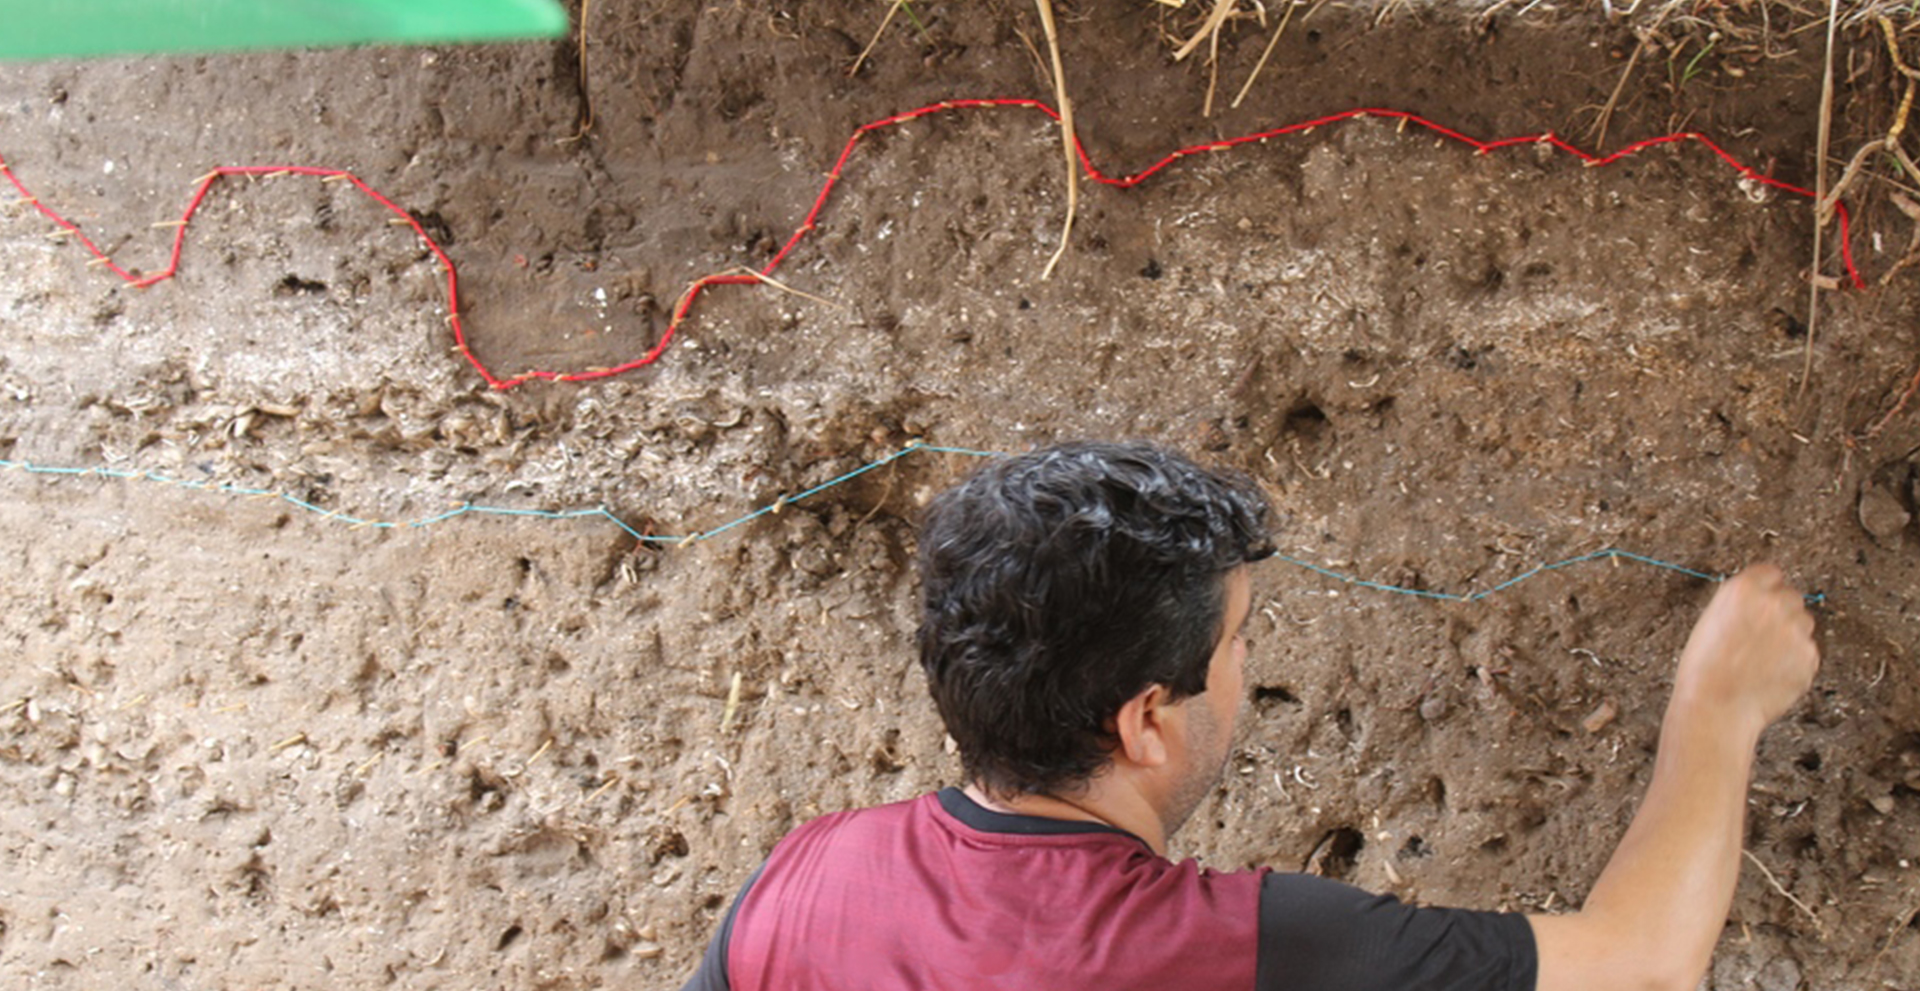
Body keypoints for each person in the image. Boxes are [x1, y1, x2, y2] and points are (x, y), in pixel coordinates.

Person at [681, 441, 1819, 991]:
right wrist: (1719, 707)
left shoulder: (804, 880)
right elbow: (1642, 964)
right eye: (1233, 647)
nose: (1243, 674)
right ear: (1145, 724)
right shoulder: (1237, 950)